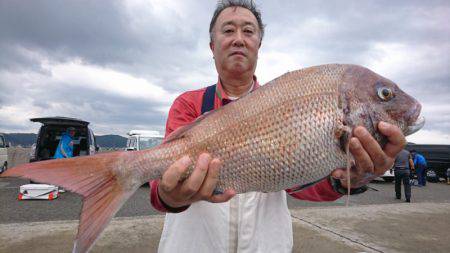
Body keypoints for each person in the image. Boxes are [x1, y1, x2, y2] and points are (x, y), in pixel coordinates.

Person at [149, 1, 406, 252]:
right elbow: (160, 183)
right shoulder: (189, 104)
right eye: (228, 30)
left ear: (258, 45)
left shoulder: (284, 104)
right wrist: (169, 195)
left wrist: (349, 180)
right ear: (212, 46)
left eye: (248, 31)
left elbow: (300, 183)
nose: (239, 38)